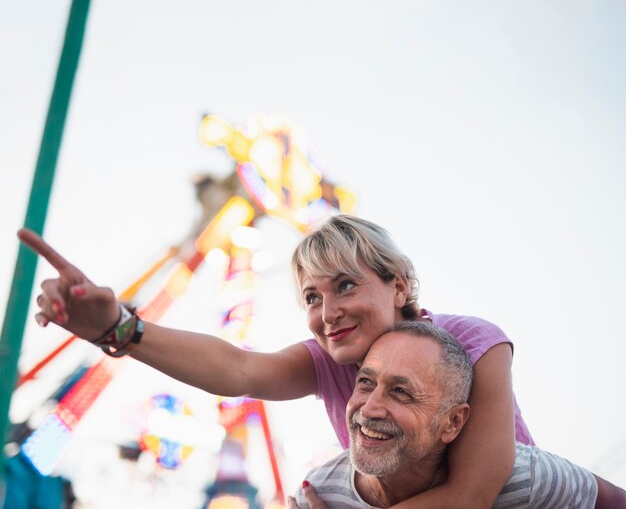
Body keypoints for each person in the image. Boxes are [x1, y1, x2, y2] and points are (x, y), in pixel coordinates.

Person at [17, 215, 625, 508]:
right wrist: (120, 328)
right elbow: (237, 369)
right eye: (312, 297)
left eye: (345, 287)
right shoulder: (327, 362)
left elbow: (471, 495)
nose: (327, 310)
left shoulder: (474, 340)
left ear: (398, 285)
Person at [290, 321, 598, 508]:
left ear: (452, 422)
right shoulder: (319, 495)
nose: (369, 408)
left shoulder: (526, 481)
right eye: (365, 383)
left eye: (401, 392)